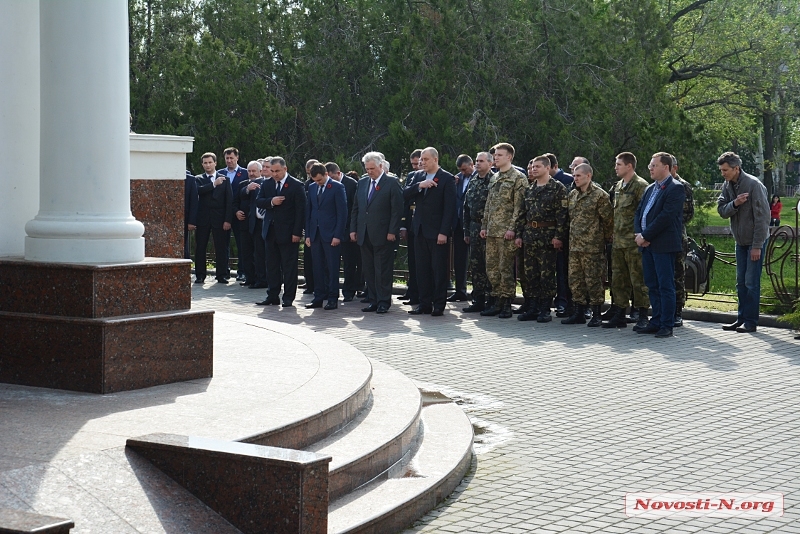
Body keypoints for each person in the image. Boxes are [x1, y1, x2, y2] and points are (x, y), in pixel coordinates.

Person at [717, 151, 770, 333]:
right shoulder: (727, 185)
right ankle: (741, 318)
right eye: (721, 170)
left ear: (736, 168)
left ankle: (751, 322)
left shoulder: (754, 185)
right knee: (740, 282)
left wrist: (757, 246)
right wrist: (735, 204)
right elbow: (722, 210)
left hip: (755, 241)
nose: (722, 173)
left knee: (751, 282)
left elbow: (763, 218)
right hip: (740, 241)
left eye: (725, 170)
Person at [633, 152, 685, 338]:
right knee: (652, 285)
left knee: (665, 285)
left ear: (666, 167)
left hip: (663, 245)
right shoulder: (650, 188)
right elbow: (639, 212)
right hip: (647, 244)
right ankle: (655, 320)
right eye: (650, 165)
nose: (650, 168)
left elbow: (666, 217)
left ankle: (666, 324)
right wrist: (639, 233)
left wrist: (646, 235)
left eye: (654, 165)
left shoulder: (676, 188)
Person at [403, 147, 457, 316]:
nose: (422, 163)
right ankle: (424, 303)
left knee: (439, 269)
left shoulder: (447, 178)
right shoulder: (417, 177)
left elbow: (450, 209)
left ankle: (439, 304)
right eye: (421, 160)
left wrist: (444, 232)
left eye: (425, 159)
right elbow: (404, 194)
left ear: (435, 159)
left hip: (437, 232)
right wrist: (420, 185)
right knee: (422, 269)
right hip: (419, 230)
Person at [516, 155, 568, 323]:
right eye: (532, 167)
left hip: (547, 237)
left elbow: (562, 215)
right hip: (530, 236)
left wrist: (558, 236)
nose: (533, 169)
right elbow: (522, 214)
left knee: (546, 275)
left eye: (538, 166)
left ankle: (545, 309)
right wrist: (519, 235)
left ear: (547, 168)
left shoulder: (557, 188)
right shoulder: (530, 189)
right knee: (531, 274)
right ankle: (532, 307)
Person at [351, 152, 404, 314]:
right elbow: (356, 208)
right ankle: (373, 300)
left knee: (382, 270)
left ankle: (383, 301)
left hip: (383, 234)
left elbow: (397, 210)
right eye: (367, 169)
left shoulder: (391, 183)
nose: (369, 172)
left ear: (381, 166)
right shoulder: (362, 183)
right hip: (364, 233)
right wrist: (353, 229)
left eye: (372, 168)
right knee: (369, 269)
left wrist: (392, 231)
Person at [561, 163, 613, 326]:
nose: (575, 179)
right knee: (575, 280)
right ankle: (579, 312)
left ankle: (596, 313)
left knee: (594, 280)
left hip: (592, 247)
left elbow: (608, 221)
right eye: (574, 176)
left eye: (578, 176)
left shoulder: (600, 196)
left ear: (588, 176)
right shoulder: (572, 195)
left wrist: (600, 238)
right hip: (575, 245)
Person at [480, 143, 527, 319]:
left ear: (509, 157)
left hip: (506, 231)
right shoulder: (494, 178)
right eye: (495, 155)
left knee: (505, 268)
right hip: (492, 230)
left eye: (499, 155)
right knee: (492, 268)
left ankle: (507, 302)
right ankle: (497, 300)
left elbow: (519, 207)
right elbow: (489, 205)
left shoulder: (518, 178)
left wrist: (512, 229)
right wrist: (484, 226)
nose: (496, 158)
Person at [603, 152, 649, 329]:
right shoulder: (618, 186)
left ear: (629, 166)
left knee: (638, 280)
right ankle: (620, 313)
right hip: (618, 241)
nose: (616, 167)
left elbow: (645, 214)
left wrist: (642, 236)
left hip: (634, 242)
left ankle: (643, 314)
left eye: (619, 164)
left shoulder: (640, 186)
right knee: (618, 279)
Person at [255, 157, 306, 307]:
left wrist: (297, 232)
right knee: (271, 266)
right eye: (272, 171)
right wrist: (271, 201)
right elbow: (259, 201)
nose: (275, 174)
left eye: (277, 171)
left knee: (289, 266)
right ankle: (272, 295)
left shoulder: (296, 185)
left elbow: (301, 211)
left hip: (289, 233)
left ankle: (288, 297)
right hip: (270, 232)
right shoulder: (267, 183)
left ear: (285, 169)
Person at [305, 163, 347, 310]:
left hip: (331, 235)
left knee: (332, 267)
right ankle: (318, 297)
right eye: (315, 181)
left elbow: (342, 213)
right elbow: (309, 212)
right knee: (317, 268)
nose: (317, 183)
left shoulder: (337, 187)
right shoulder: (311, 187)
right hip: (315, 234)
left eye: (319, 180)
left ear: (326, 174)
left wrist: (337, 235)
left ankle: (332, 298)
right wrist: (308, 234)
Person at [462, 151, 493, 312]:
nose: (478, 163)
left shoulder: (494, 180)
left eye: (481, 161)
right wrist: (466, 231)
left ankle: (492, 300)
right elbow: (466, 207)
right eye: (476, 160)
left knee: (490, 266)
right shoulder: (473, 180)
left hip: (488, 229)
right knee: (476, 265)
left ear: (490, 163)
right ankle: (478, 299)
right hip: (474, 229)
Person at [194, 152, 233, 284]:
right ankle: (200, 275)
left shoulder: (225, 179)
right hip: (203, 219)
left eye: (210, 162)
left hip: (220, 219)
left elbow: (229, 201)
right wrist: (213, 184)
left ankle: (221, 274)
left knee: (221, 247)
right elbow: (198, 191)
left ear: (215, 163)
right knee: (200, 247)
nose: (208, 165)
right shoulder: (198, 179)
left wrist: (228, 220)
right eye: (205, 163)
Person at [327, 162, 362, 302]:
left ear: (338, 173)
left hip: (348, 230)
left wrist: (353, 229)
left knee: (350, 262)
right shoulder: (326, 185)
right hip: (333, 230)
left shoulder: (351, 184)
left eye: (331, 177)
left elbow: (355, 208)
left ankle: (349, 290)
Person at [545, 153, 574, 316]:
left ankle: (564, 301)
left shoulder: (568, 181)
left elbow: (565, 212)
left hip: (564, 234)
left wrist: (560, 235)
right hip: (547, 234)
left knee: (564, 270)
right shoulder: (540, 183)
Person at [670, 156, 695, 327]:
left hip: (677, 236)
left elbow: (687, 214)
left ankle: (678, 311)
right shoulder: (657, 186)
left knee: (677, 274)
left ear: (674, 168)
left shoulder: (683, 186)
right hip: (660, 239)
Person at [232, 160, 263, 287]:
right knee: (246, 252)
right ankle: (249, 277)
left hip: (257, 224)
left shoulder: (264, 183)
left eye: (254, 171)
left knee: (259, 253)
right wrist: (236, 212)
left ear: (260, 171)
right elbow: (235, 201)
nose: (251, 174)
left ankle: (260, 279)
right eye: (249, 171)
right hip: (244, 223)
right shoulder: (243, 184)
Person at [221, 147, 249, 282]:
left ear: (237, 158)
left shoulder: (245, 173)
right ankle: (223, 271)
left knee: (241, 244)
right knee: (223, 243)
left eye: (232, 158)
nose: (229, 161)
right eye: (227, 158)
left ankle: (242, 271)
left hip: (239, 213)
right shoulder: (220, 173)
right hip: (224, 214)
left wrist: (237, 209)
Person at [448, 154, 474, 302]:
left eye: (465, 169)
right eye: (461, 170)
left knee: (477, 261)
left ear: (471, 164)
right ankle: (460, 290)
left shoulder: (480, 177)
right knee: (459, 259)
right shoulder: (457, 179)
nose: (463, 172)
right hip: (458, 224)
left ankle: (478, 293)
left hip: (473, 225)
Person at [400, 149, 423, 306]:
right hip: (411, 222)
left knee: (423, 262)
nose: (416, 167)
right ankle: (412, 291)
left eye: (419, 163)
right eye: (414, 164)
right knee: (413, 260)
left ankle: (421, 294)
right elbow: (405, 198)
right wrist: (403, 224)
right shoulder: (411, 176)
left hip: (424, 223)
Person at [184, 169, 198, 260]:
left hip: (185, 218)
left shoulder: (190, 179)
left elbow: (194, 201)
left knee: (184, 245)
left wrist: (192, 221)